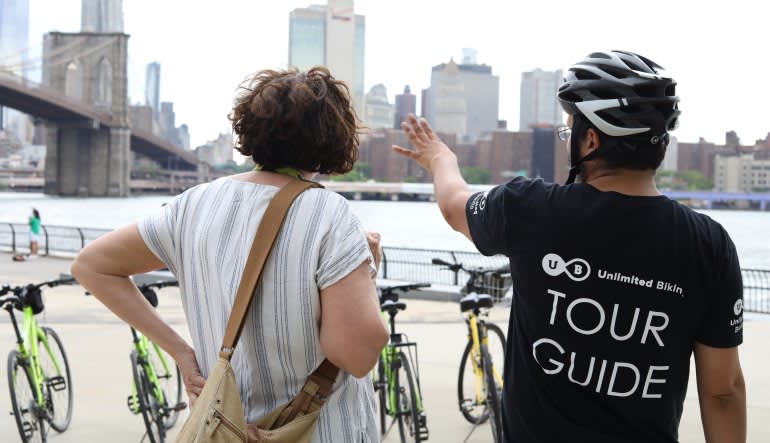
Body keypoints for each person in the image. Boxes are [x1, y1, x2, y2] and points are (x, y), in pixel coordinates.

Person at [393, 50, 745, 442]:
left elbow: (454, 205)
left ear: (590, 138)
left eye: (568, 130)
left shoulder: (529, 209)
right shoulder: (710, 245)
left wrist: (440, 157)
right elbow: (722, 390)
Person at [72, 67, 388, 441]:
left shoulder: (193, 205)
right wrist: (365, 271)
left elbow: (92, 265)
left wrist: (181, 353)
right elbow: (358, 354)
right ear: (333, 138)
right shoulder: (328, 214)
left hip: (224, 429)